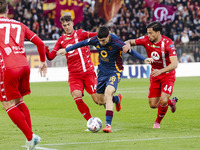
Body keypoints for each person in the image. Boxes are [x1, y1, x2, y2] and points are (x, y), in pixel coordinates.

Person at [56, 26, 153, 133]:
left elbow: (130, 51)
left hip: (114, 72)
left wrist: (144, 59)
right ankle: (116, 99)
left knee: (108, 93)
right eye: (100, 40)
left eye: (103, 40)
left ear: (108, 36)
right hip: (102, 72)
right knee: (100, 101)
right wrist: (66, 49)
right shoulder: (95, 40)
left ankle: (108, 125)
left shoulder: (116, 41)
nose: (101, 43)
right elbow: (81, 43)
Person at [45, 15, 123, 127]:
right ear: (62, 26)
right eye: (64, 25)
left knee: (98, 100)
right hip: (74, 75)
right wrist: (46, 51)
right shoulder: (61, 40)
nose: (67, 27)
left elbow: (96, 35)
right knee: (76, 96)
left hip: (88, 73)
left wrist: (107, 34)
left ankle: (116, 98)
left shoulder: (81, 33)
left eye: (68, 24)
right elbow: (52, 56)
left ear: (72, 23)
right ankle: (91, 122)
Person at [0, 0, 47, 149]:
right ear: (7, 10)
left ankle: (30, 137)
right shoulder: (19, 24)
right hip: (24, 65)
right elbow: (40, 43)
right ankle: (30, 138)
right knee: (19, 100)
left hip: (8, 66)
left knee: (7, 103)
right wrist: (42, 61)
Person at [123, 22, 178, 129]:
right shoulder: (146, 39)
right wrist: (127, 44)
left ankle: (157, 122)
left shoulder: (168, 43)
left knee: (163, 100)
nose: (149, 35)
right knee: (153, 105)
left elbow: (175, 64)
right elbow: (129, 41)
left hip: (167, 75)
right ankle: (172, 102)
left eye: (151, 33)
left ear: (158, 32)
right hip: (155, 75)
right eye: (148, 33)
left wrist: (161, 71)